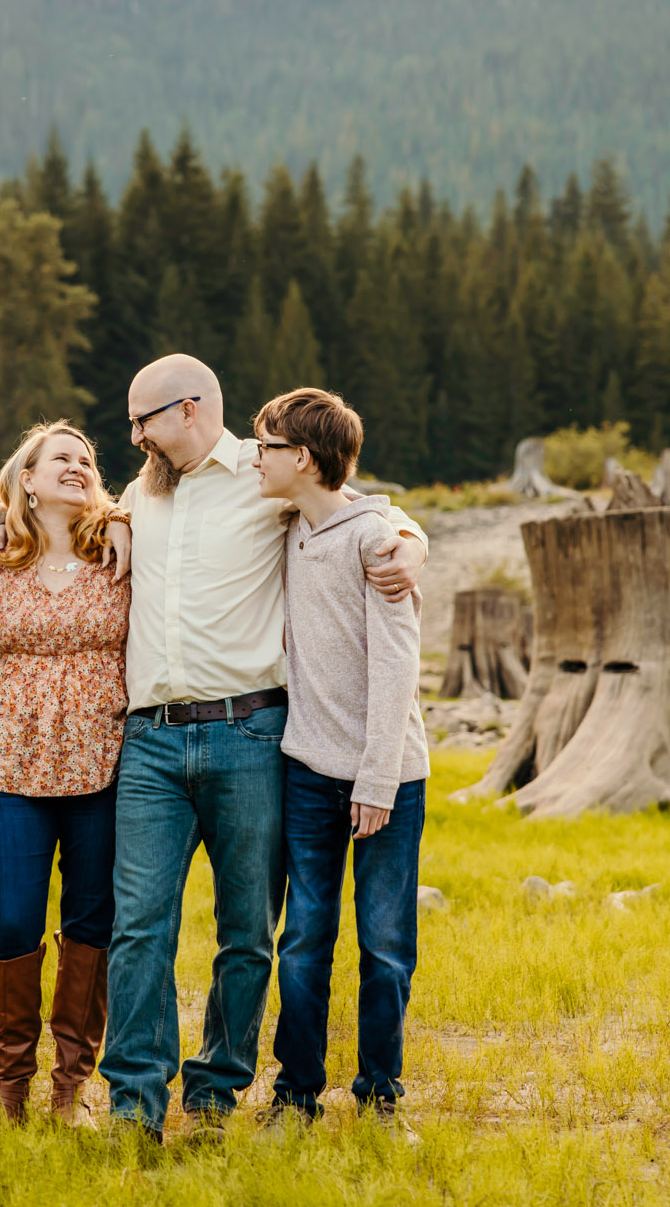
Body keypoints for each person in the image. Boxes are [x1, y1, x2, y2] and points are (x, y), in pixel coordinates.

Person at [98, 354, 428, 1142]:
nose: (133, 434)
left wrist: (413, 540)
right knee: (140, 924)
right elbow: (96, 505)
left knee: (249, 929)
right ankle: (133, 1105)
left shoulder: (263, 470)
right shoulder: (143, 489)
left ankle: (216, 1098)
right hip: (149, 739)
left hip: (251, 733)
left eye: (141, 419)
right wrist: (114, 520)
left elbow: (357, 509)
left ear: (187, 410)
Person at [250, 388, 429, 1129]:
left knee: (384, 945)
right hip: (305, 770)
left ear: (302, 458)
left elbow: (397, 667)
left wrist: (376, 778)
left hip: (387, 775)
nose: (256, 457)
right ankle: (296, 1095)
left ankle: (381, 1096)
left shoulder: (378, 541)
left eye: (266, 445)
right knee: (303, 940)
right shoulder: (289, 521)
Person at [0, 421, 132, 1127]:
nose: (78, 465)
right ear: (27, 481)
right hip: (7, 761)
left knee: (92, 922)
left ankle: (72, 1090)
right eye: (59, 458)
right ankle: (10, 1091)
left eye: (87, 459)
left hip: (104, 761)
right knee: (11, 923)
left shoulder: (123, 548)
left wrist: (122, 515)